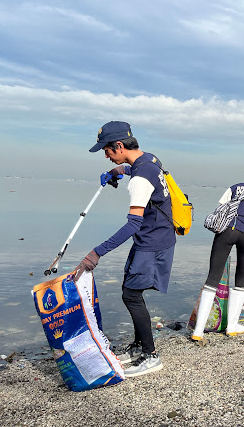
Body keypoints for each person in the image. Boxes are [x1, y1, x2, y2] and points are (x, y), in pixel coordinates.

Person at [73, 121, 175, 377]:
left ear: (119, 145)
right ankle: (139, 346)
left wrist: (96, 253)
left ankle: (151, 355)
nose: (105, 156)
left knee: (131, 295)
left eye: (106, 150)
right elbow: (139, 168)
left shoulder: (140, 179)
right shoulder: (149, 160)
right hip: (154, 237)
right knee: (129, 291)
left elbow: (132, 224)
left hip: (152, 243)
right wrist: (120, 169)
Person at [191, 170, 244, 340]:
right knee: (241, 280)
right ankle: (232, 326)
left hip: (227, 231)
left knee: (213, 277)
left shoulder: (234, 188)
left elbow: (220, 209)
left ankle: (198, 332)